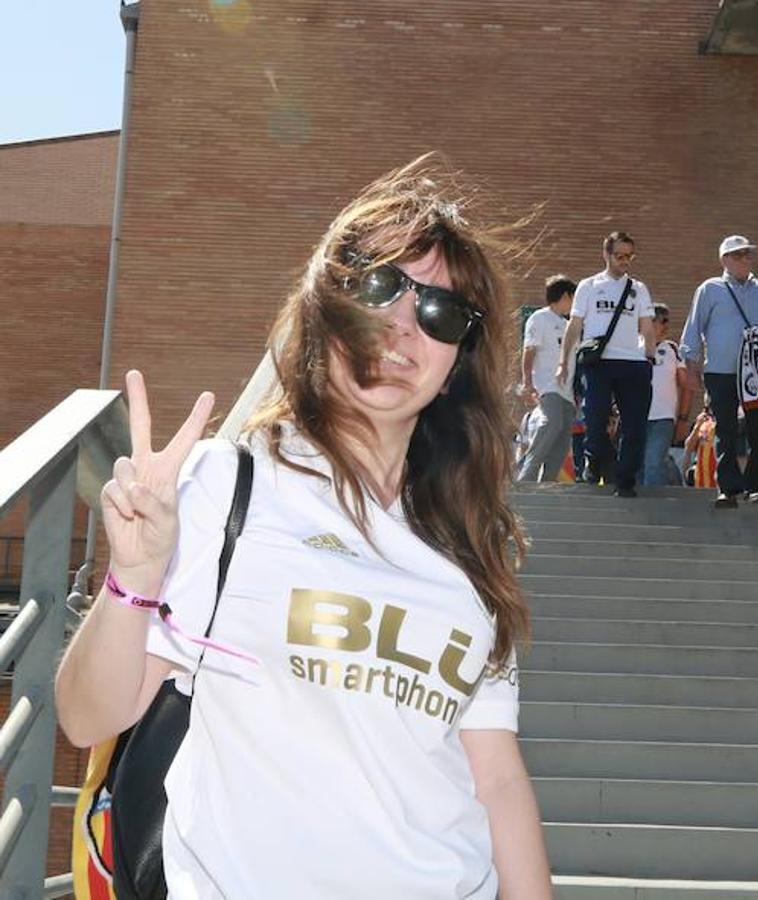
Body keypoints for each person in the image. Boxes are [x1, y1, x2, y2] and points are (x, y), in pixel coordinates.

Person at [53, 156, 553, 899]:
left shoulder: (468, 544)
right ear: (329, 305)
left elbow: (497, 777)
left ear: (455, 365)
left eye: (442, 314)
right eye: (382, 286)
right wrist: (133, 576)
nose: (404, 328)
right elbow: (85, 715)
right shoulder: (229, 487)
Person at [680, 235, 758, 508]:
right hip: (721, 371)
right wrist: (691, 367)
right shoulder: (709, 289)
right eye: (738, 255)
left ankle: (756, 486)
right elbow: (693, 329)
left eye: (747, 254)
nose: (744, 259)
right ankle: (727, 488)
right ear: (724, 259)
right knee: (725, 431)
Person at [556, 231, 656, 497]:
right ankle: (595, 458)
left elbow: (646, 326)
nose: (625, 261)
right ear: (606, 254)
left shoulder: (639, 288)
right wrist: (563, 362)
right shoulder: (589, 287)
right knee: (595, 417)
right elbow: (574, 326)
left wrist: (650, 356)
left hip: (633, 363)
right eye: (619, 255)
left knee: (635, 425)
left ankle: (624, 481)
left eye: (629, 256)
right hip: (599, 361)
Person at [517, 274, 578, 482]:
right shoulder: (539, 318)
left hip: (567, 392)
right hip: (547, 385)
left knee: (561, 441)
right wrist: (527, 382)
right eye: (573, 297)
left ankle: (548, 483)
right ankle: (526, 477)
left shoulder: (568, 324)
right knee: (550, 423)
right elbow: (529, 350)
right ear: (564, 296)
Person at [640, 303, 690, 486]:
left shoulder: (672, 350)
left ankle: (653, 509)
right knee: (640, 466)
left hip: (663, 418)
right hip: (636, 418)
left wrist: (683, 419)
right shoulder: (632, 348)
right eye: (662, 320)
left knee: (653, 462)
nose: (667, 325)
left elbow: (686, 386)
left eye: (668, 320)